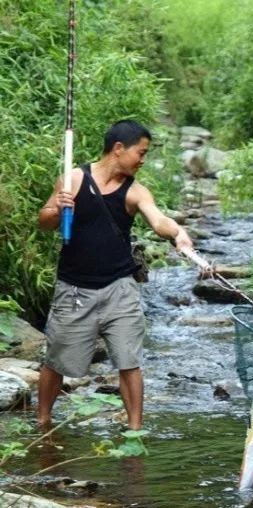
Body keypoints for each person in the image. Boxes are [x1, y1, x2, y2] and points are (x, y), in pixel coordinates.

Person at [36, 119, 193, 430]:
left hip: (120, 288)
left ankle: (136, 429)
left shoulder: (136, 191)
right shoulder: (74, 179)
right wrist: (57, 209)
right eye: (141, 152)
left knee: (128, 361)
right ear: (119, 149)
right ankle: (43, 421)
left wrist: (179, 233)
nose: (143, 160)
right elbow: (44, 222)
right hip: (74, 289)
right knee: (55, 361)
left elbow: (157, 220)